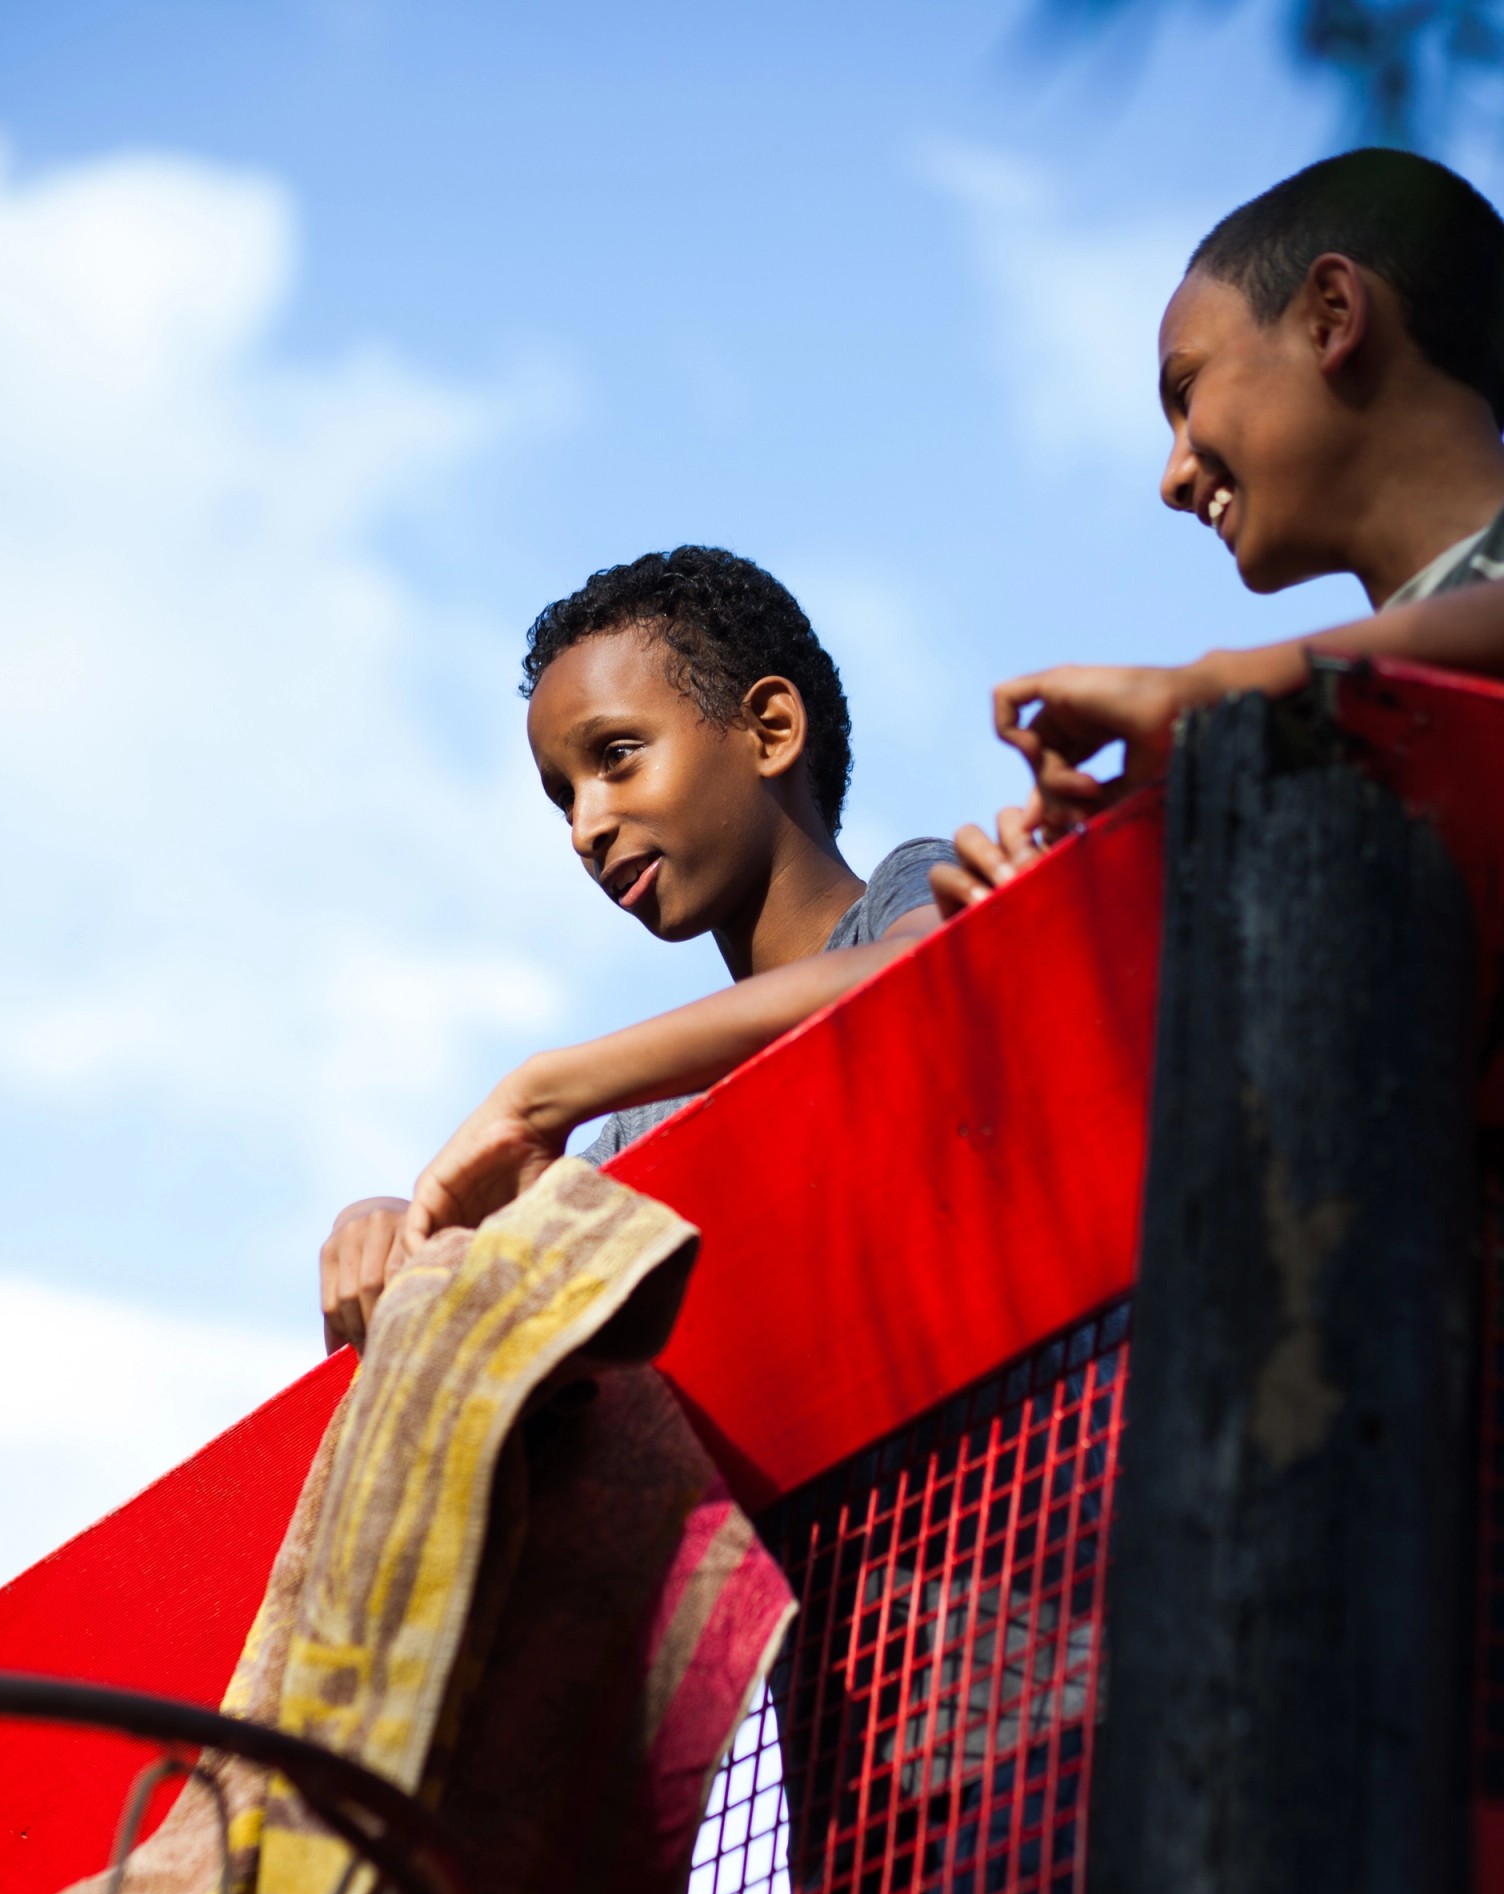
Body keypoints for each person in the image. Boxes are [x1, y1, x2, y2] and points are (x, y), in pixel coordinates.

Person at [321, 547, 961, 1352]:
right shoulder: (642, 1131)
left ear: (771, 729)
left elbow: (927, 970)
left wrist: (546, 1090)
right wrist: (382, 1229)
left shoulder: (907, 891)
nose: (586, 826)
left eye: (616, 757)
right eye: (564, 798)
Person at [932, 147, 1504, 910]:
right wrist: (1084, 895)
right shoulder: (1341, 764)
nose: (1172, 480)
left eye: (1187, 387)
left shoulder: (1295, 703)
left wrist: (1216, 689)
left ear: (1333, 316)